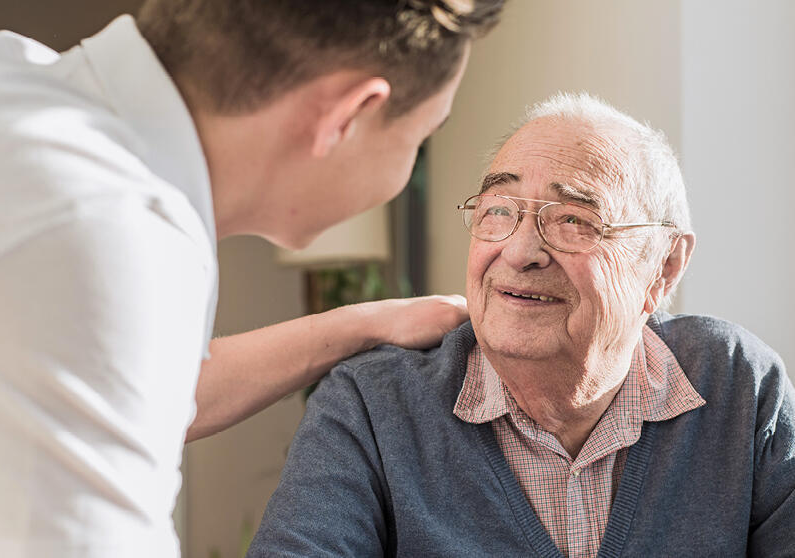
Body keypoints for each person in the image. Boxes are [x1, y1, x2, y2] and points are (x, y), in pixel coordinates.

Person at [0, 1, 507, 556]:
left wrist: (362, 323)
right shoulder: (103, 235)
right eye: (420, 138)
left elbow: (115, 384)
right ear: (348, 116)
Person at [247, 93, 795, 557]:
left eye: (574, 219)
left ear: (664, 266)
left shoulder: (735, 384)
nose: (521, 250)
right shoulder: (373, 404)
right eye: (498, 210)